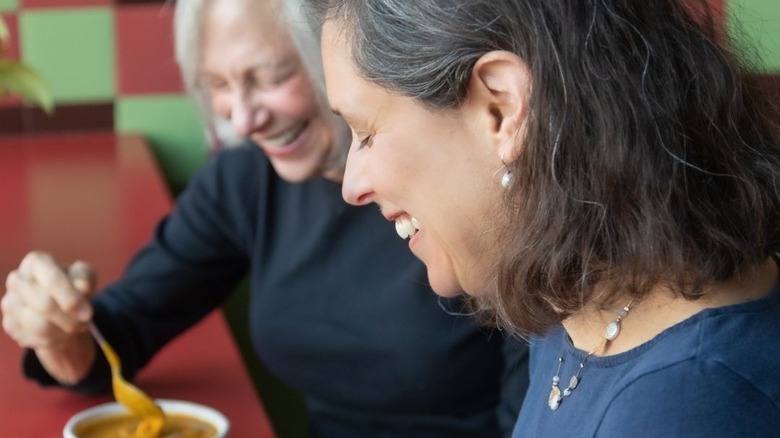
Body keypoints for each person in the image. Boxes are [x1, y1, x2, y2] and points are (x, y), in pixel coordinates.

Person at [0, 0, 530, 436]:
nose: (244, 116)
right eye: (219, 85)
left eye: (271, 75)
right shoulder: (246, 182)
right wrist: (57, 330)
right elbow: (119, 332)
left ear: (342, 61)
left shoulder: (474, 195)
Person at [310, 0, 780, 436]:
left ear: (502, 107)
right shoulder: (577, 297)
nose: (352, 185)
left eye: (366, 133)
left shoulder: (687, 405)